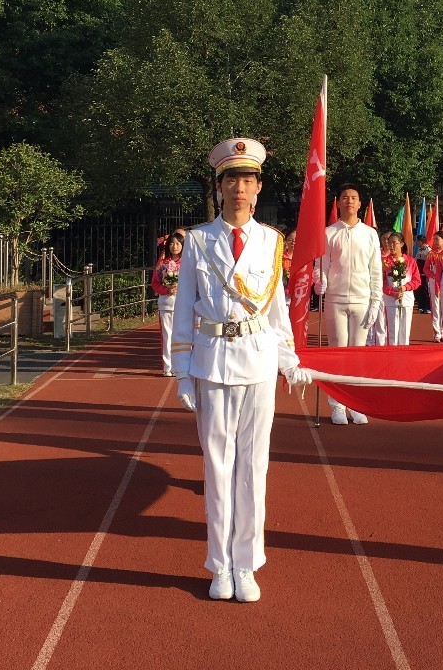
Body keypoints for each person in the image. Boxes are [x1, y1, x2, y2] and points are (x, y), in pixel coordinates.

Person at [171, 137, 309, 603]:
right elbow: (184, 304)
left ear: (258, 187)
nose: (239, 187)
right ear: (219, 186)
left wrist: (289, 359)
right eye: (231, 179)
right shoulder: (198, 241)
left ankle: (246, 564)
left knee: (253, 467)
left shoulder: (271, 241)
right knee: (217, 466)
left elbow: (277, 309)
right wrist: (182, 370)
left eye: (247, 180)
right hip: (211, 359)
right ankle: (218, 564)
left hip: (257, 360)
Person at [315, 183, 380, 425]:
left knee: (357, 354)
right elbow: (321, 265)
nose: (349, 201)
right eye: (345, 197)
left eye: (353, 197)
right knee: (338, 351)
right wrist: (319, 281)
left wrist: (375, 302)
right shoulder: (329, 232)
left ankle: (355, 404)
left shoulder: (370, 234)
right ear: (339, 202)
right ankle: (337, 405)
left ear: (360, 203)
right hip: (336, 299)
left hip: (362, 299)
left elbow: (375, 271)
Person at [152, 230, 185, 377]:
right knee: (167, 336)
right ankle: (168, 367)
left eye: (178, 243)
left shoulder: (188, 263)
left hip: (184, 305)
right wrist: (167, 289)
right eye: (172, 243)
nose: (175, 246)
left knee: (183, 336)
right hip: (166, 304)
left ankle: (182, 365)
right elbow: (155, 284)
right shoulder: (162, 264)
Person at [381, 231, 421, 345]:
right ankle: (392, 356)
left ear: (402, 244)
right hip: (390, 301)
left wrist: (405, 287)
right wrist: (393, 293)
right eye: (389, 243)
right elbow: (381, 283)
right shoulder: (385, 262)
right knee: (392, 333)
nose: (391, 246)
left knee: (405, 332)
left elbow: (417, 281)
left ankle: (404, 356)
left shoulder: (411, 261)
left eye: (394, 243)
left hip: (407, 299)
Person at [425, 233, 443, 341]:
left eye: (437, 239)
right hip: (434, 282)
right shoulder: (431, 254)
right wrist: (433, 275)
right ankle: (437, 333)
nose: (435, 241)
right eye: (434, 239)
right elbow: (425, 269)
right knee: (436, 307)